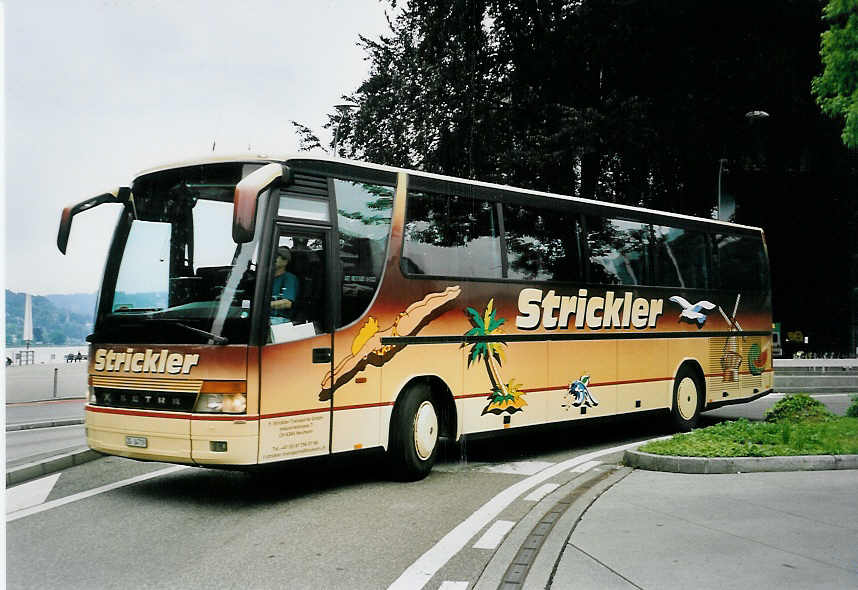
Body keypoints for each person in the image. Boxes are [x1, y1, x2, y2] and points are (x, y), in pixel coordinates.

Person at [270, 245, 299, 322]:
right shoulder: (267, 277)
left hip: (279, 319)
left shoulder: (289, 278)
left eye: (276, 257)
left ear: (285, 261)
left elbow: (287, 303)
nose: (273, 258)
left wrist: (263, 305)